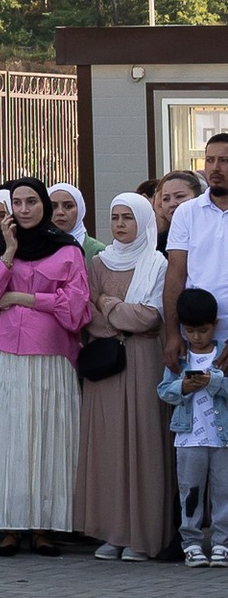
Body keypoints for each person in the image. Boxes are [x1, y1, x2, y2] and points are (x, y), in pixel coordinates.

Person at [0, 174, 91, 555]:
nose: (23, 209)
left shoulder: (68, 249)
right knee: (9, 438)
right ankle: (8, 525)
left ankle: (43, 528)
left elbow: (76, 305)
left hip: (52, 356)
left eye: (31, 202)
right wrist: (8, 253)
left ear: (44, 206)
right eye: (16, 203)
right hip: (8, 356)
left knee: (48, 437)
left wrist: (22, 297)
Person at [74, 188, 169, 563]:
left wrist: (109, 307)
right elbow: (90, 317)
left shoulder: (157, 264)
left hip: (145, 363)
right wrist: (122, 315)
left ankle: (141, 535)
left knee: (142, 445)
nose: (119, 224)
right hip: (107, 366)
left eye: (127, 217)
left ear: (143, 220)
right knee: (109, 448)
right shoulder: (98, 263)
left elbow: (151, 318)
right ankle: (111, 532)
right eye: (114, 217)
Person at [161, 292, 228, 564]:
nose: (197, 337)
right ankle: (191, 542)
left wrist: (214, 383)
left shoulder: (223, 354)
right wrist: (183, 387)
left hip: (222, 439)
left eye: (203, 330)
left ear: (215, 324)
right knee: (191, 492)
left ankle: (222, 543)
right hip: (189, 439)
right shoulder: (181, 356)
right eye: (190, 331)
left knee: (223, 491)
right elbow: (164, 390)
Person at [161, 129, 228, 355]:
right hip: (197, 338)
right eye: (209, 160)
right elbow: (175, 276)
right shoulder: (187, 213)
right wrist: (172, 334)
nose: (215, 168)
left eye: (224, 160)